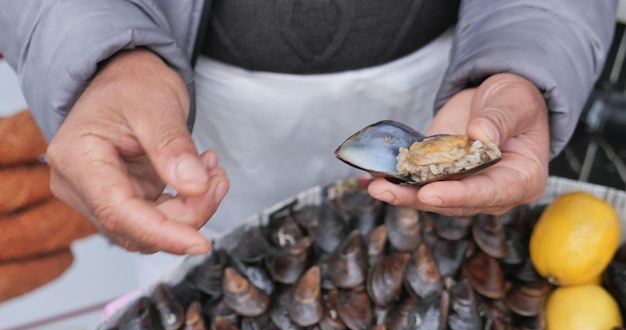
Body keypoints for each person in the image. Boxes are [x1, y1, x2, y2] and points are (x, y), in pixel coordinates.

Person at [0, 1, 618, 282]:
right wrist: (103, 62)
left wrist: (524, 59)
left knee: (419, 276)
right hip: (181, 105)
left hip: (452, 91)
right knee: (218, 285)